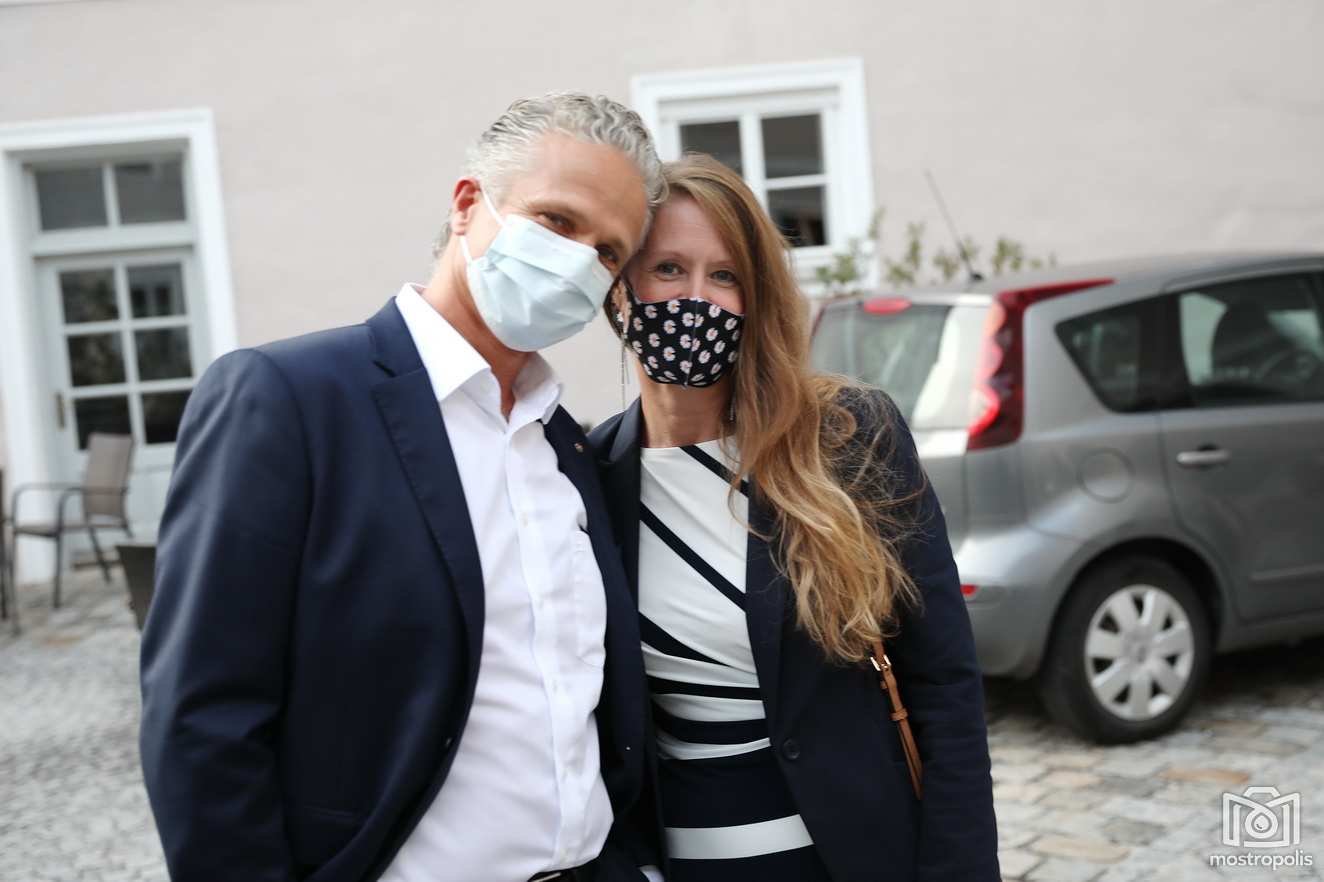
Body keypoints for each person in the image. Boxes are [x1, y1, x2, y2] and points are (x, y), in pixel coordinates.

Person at [139, 93, 666, 882]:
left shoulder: (567, 446)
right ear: (467, 205)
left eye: (608, 253)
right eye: (557, 221)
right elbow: (202, 717)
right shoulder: (291, 401)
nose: (577, 262)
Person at [589, 154, 1000, 882]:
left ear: (757, 298)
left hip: (852, 860)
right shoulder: (590, 472)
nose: (696, 298)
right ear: (620, 288)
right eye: (668, 269)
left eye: (725, 276)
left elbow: (944, 683)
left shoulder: (848, 437)